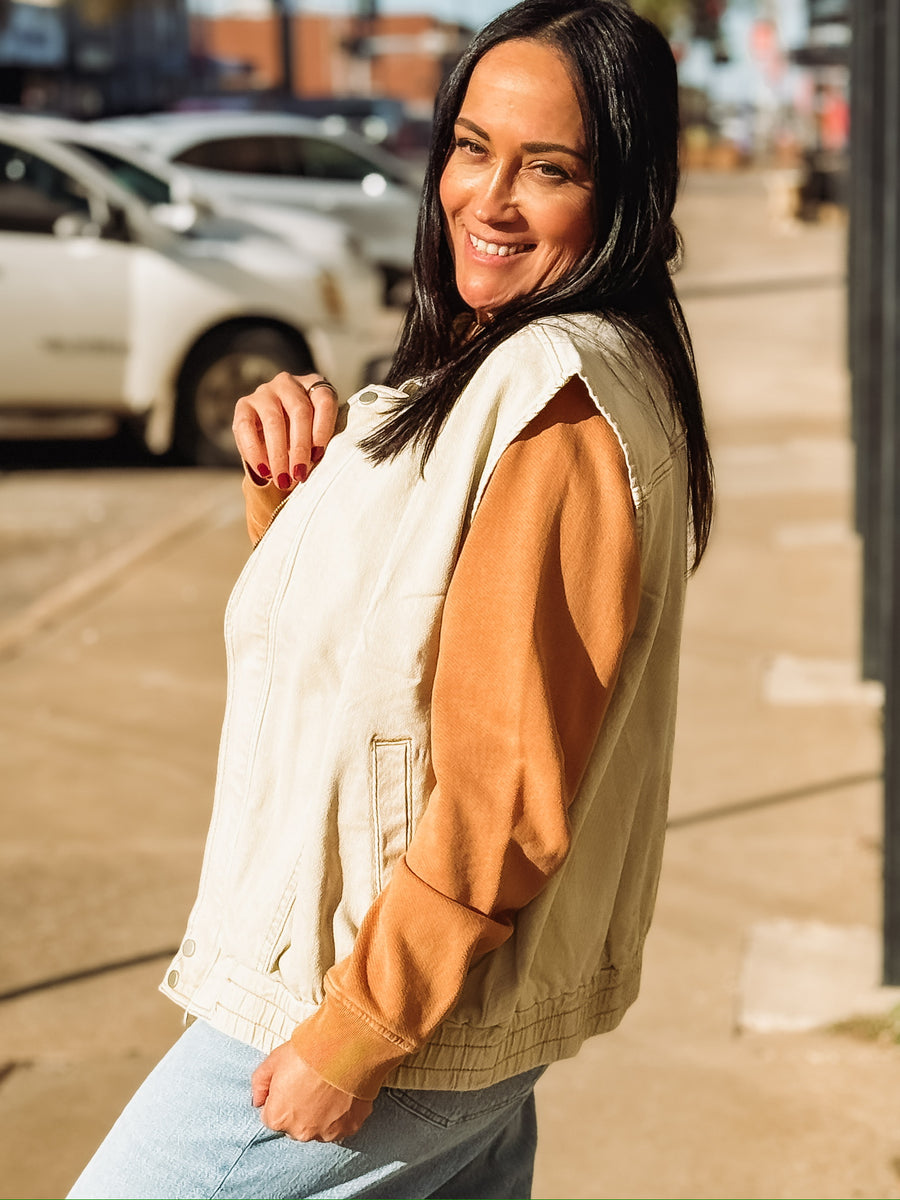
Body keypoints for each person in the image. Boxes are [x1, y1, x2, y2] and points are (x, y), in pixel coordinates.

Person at [68, 1, 713, 1197]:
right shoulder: (502, 361)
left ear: (623, 190)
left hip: (369, 996)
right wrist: (295, 492)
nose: (491, 198)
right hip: (433, 1010)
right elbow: (401, 646)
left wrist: (361, 1026)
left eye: (549, 168)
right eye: (472, 148)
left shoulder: (551, 389)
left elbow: (507, 782)